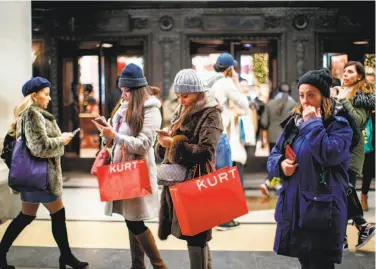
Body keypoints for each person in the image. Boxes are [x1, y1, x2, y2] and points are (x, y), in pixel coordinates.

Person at [0, 77, 88, 269]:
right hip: (41, 177)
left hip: (33, 177)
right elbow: (39, 147)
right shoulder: (32, 114)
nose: (49, 99)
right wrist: (62, 141)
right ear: (34, 95)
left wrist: (59, 138)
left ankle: (1, 253)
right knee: (57, 213)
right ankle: (66, 256)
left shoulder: (34, 114)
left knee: (27, 215)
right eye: (46, 94)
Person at [268, 68, 352, 269]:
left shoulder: (339, 124)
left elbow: (329, 154)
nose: (305, 101)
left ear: (324, 96)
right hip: (297, 208)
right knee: (305, 261)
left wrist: (313, 122)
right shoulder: (294, 123)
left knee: (321, 263)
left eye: (311, 95)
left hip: (322, 210)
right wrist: (281, 165)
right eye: (302, 95)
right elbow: (273, 155)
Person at [92, 64, 167, 269]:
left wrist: (114, 135)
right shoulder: (124, 108)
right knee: (130, 219)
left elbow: (144, 144)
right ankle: (137, 265)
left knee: (135, 221)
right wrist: (107, 132)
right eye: (122, 90)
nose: (123, 95)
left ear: (136, 90)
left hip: (136, 171)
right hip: (121, 169)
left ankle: (159, 265)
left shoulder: (151, 110)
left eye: (126, 91)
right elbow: (119, 138)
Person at [156, 69, 223, 269]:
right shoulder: (182, 110)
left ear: (198, 92)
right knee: (194, 233)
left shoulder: (211, 113)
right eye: (178, 97)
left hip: (198, 180)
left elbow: (206, 151)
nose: (182, 100)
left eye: (185, 96)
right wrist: (163, 141)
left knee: (196, 234)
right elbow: (171, 145)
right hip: (181, 181)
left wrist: (172, 144)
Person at [205, 52, 250, 231]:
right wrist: (236, 83)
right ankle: (223, 220)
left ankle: (208, 216)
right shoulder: (225, 82)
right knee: (223, 176)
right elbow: (244, 104)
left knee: (209, 175)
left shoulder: (207, 79)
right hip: (218, 135)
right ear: (230, 68)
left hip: (204, 135)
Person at [336, 61, 375, 250]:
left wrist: (343, 101)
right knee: (343, 190)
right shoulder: (343, 92)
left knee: (343, 191)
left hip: (352, 150)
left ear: (359, 76)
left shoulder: (362, 96)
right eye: (344, 71)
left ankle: (342, 237)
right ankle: (362, 225)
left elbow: (359, 121)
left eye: (350, 72)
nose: (345, 74)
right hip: (338, 147)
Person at [260, 83, 297, 196]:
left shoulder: (270, 104)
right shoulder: (293, 104)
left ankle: (273, 184)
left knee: (275, 161)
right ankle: (271, 183)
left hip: (272, 136)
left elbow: (264, 123)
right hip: (287, 137)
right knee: (283, 162)